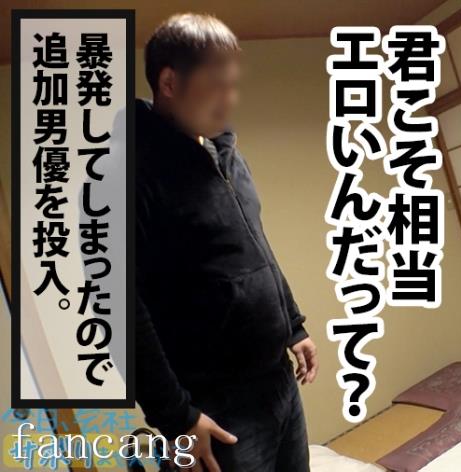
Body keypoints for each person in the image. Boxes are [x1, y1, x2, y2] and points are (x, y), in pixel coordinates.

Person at [134, 13, 318, 472]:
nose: (230, 99)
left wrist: (293, 326)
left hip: (278, 381)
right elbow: (119, 307)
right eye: (218, 86)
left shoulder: (227, 154)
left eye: (234, 85)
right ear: (170, 82)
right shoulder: (129, 171)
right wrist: (178, 417)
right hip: (217, 405)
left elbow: (256, 247)